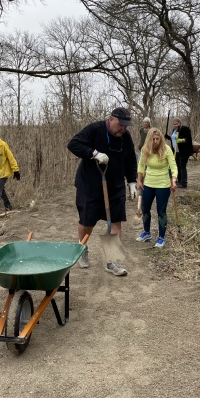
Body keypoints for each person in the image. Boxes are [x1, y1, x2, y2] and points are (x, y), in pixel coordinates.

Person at [67, 107, 137, 276]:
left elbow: (130, 159)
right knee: (87, 222)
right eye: (121, 124)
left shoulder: (125, 137)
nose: (123, 128)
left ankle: (112, 261)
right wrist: (93, 153)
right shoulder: (95, 130)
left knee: (116, 222)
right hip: (89, 185)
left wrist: (132, 181)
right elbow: (73, 144)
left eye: (126, 126)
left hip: (115, 185)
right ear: (111, 119)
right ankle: (82, 248)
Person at [136, 128, 177, 248]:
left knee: (161, 211)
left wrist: (173, 180)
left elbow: (173, 166)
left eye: (157, 139)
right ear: (149, 139)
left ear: (161, 139)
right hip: (148, 183)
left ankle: (161, 238)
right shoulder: (145, 149)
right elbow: (141, 165)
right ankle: (147, 233)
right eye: (153, 139)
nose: (155, 141)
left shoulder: (166, 149)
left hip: (163, 185)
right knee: (145, 209)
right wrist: (139, 180)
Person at [171, 118, 193, 188]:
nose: (175, 125)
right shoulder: (174, 130)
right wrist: (168, 137)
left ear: (180, 123)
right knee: (177, 166)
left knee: (182, 166)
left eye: (177, 124)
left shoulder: (185, 129)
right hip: (176, 151)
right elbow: (174, 139)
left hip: (184, 151)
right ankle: (179, 181)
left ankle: (184, 183)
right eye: (174, 124)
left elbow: (188, 139)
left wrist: (181, 140)